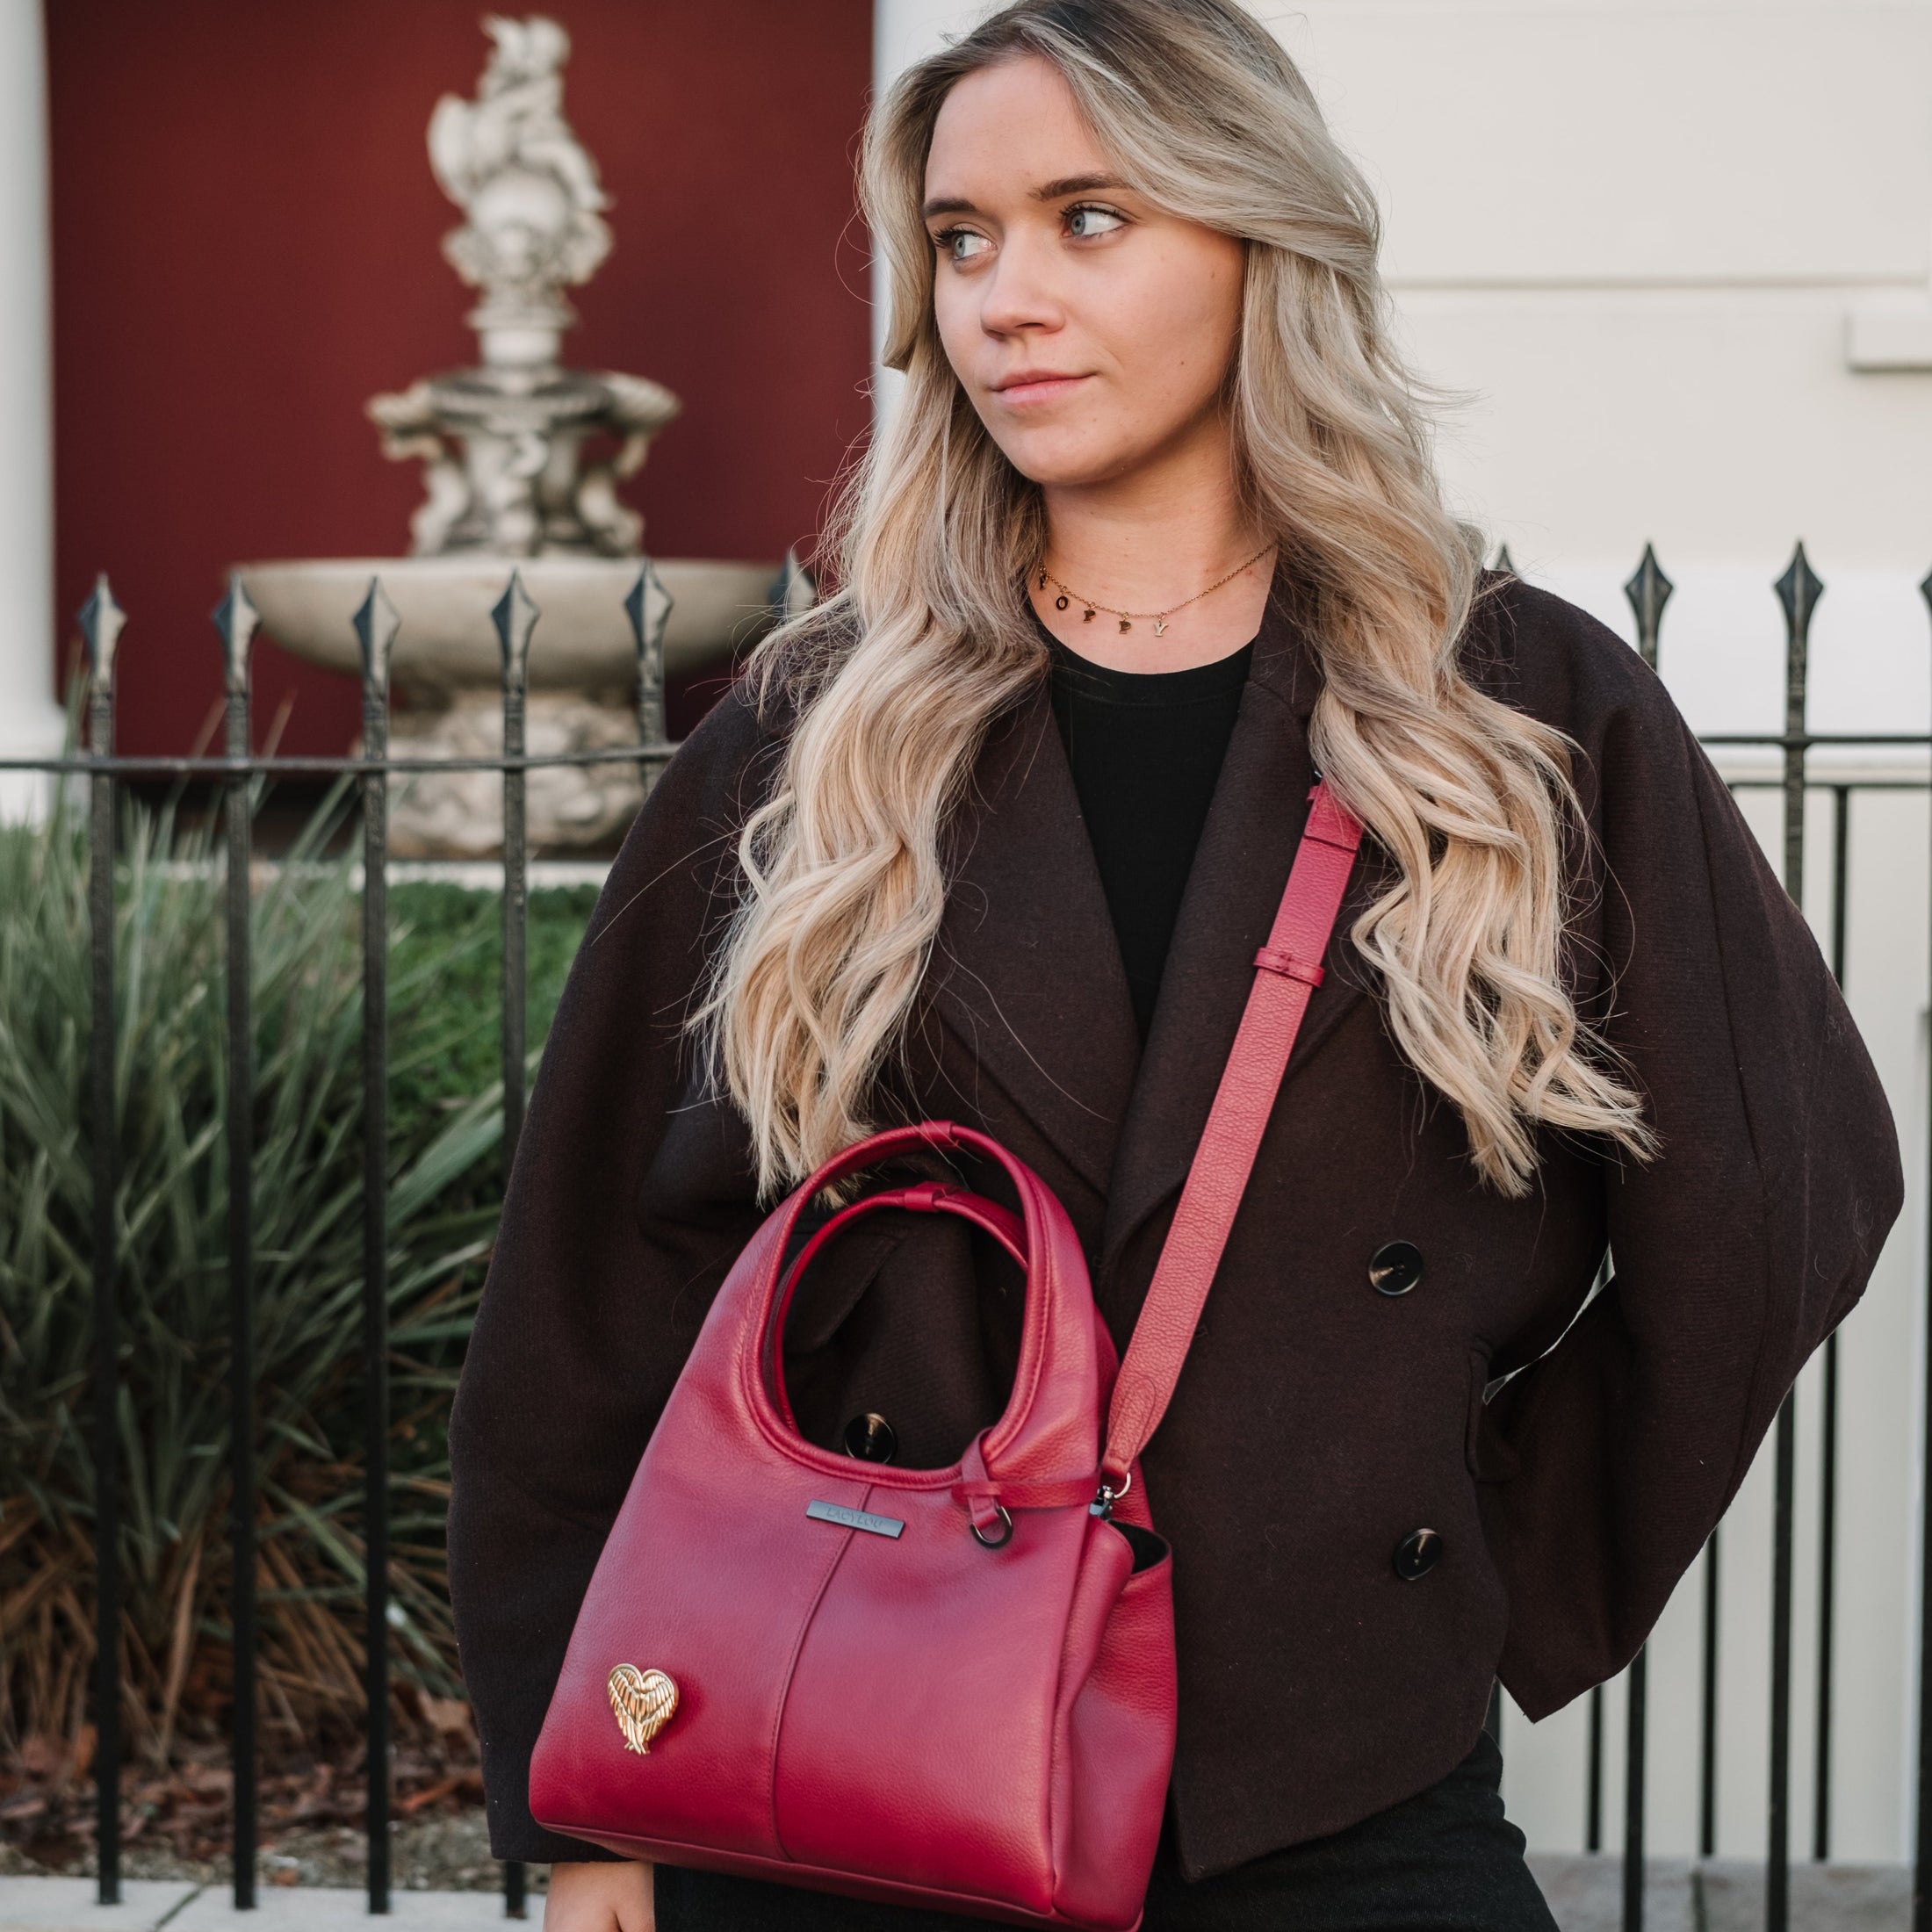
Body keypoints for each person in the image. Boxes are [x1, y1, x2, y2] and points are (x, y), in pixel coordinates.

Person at [446, 3, 1905, 1927]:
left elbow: (1782, 1190)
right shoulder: (817, 734)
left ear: (1258, 241)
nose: (1005, 298)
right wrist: (583, 1810)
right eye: (960, 239)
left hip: (1334, 1786)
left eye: (1088, 219)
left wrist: (1464, 1543)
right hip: (846, 1759)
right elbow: (589, 1292)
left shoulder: (1510, 709)